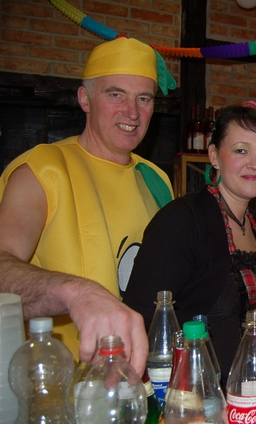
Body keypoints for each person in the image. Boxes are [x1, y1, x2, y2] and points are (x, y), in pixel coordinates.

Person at [0, 37, 176, 375]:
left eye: (143, 98)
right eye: (116, 94)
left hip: (143, 381)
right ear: (85, 99)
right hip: (64, 387)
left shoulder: (155, 179)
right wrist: (77, 293)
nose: (132, 112)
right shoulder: (42, 169)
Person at [123, 103, 256, 404]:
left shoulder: (255, 221)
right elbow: (141, 318)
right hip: (204, 398)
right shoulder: (182, 220)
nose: (255, 164)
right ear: (214, 155)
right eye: (241, 150)